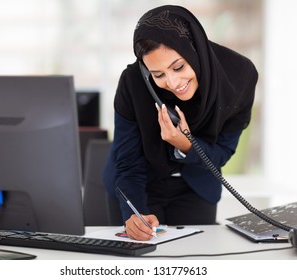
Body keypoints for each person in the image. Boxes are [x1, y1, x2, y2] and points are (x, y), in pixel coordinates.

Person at [102, 5, 258, 241]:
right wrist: (135, 214)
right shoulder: (133, 83)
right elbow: (128, 164)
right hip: (138, 184)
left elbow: (222, 153)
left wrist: (184, 143)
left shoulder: (239, 76)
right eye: (158, 75)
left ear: (195, 50)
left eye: (178, 67)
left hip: (197, 185)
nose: (173, 83)